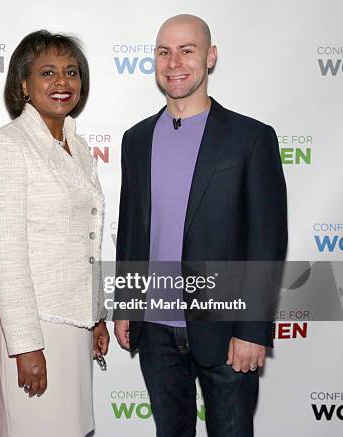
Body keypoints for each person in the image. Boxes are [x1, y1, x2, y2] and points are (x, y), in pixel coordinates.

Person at [114, 14, 287, 437]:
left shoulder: (250, 137)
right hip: (154, 332)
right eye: (163, 52)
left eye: (186, 50)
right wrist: (125, 305)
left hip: (227, 330)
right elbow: (132, 230)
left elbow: (267, 240)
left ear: (210, 57)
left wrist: (252, 330)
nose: (174, 62)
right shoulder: (136, 139)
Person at [0, 30, 110, 437]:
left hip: (74, 320)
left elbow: (87, 241)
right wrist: (25, 346)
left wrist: (97, 315)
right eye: (48, 72)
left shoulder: (78, 146)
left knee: (74, 429)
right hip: (35, 323)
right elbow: (6, 254)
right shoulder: (8, 146)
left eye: (71, 72)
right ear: (24, 85)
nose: (62, 82)